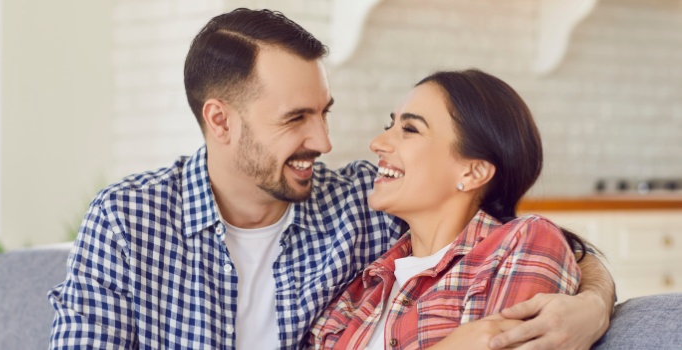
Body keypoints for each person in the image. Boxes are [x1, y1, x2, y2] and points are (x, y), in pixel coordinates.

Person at [48, 8, 615, 350]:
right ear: (220, 121)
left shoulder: (361, 204)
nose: (324, 142)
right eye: (296, 118)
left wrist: (593, 304)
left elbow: (533, 240)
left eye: (324, 112)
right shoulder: (128, 221)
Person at [308, 69, 598, 349]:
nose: (377, 143)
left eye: (410, 129)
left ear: (472, 172)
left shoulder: (524, 243)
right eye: (390, 126)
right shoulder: (364, 288)